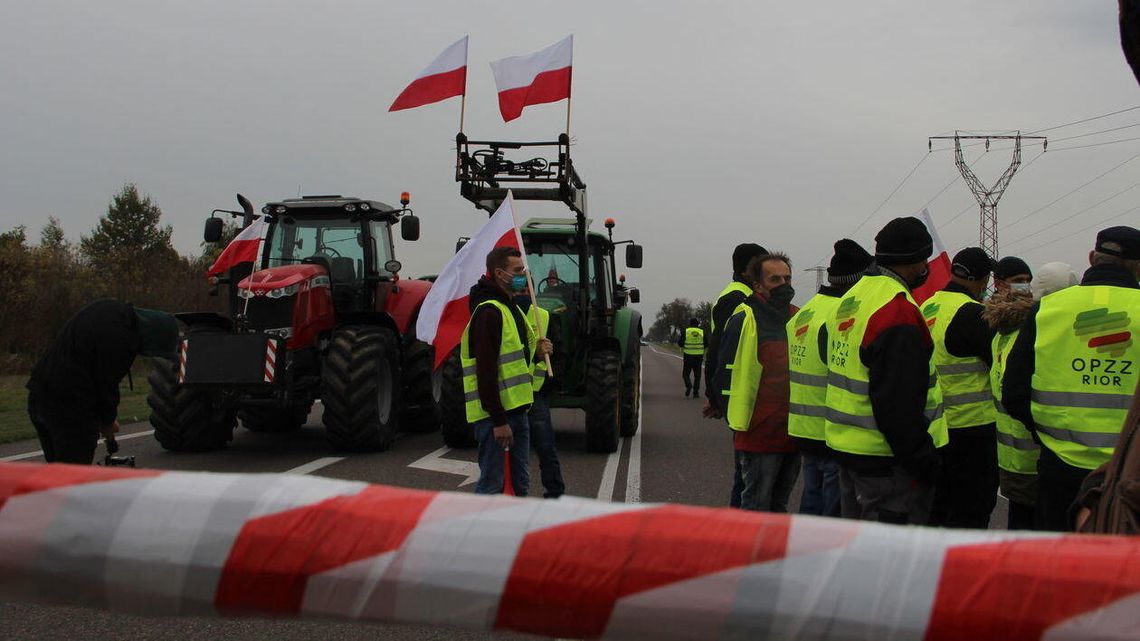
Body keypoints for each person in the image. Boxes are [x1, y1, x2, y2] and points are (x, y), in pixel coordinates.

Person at [1003, 226, 1140, 531]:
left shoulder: (1046, 310)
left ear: (1092, 258)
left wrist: (1048, 436)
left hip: (1059, 469)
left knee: (1058, 567)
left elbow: (1013, 392)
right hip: (1131, 473)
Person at [824, 216, 947, 524]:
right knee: (889, 562)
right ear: (917, 260)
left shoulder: (852, 297)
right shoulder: (896, 310)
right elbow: (898, 403)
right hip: (889, 463)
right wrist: (925, 462)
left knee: (860, 553)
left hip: (849, 450)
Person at [26, 299, 179, 464]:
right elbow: (107, 386)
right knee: (74, 475)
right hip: (68, 406)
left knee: (59, 473)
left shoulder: (110, 309)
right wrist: (107, 421)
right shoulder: (123, 339)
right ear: (152, 336)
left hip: (39, 394)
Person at [788, 239, 873, 517]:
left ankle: (802, 554)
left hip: (803, 425)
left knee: (811, 499)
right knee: (832, 511)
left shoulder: (808, 311)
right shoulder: (839, 314)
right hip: (832, 428)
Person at [460, 246, 553, 496]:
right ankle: (479, 533)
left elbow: (513, 359)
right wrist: (499, 420)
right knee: (493, 484)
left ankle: (514, 532)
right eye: (518, 270)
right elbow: (486, 371)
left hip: (518, 411)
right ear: (500, 274)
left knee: (519, 483)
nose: (524, 275)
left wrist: (536, 351)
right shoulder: (490, 312)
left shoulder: (509, 307)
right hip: (497, 418)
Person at [712, 253, 799, 512]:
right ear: (758, 285)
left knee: (779, 506)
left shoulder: (799, 318)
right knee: (755, 506)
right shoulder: (745, 319)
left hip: (793, 433)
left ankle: (772, 553)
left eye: (787, 278)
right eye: (775, 279)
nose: (784, 284)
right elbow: (723, 373)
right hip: (758, 435)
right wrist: (735, 420)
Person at [923, 247, 999, 529]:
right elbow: (999, 366)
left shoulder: (926, 308)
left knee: (936, 508)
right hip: (973, 430)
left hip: (934, 427)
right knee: (972, 511)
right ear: (981, 280)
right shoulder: (974, 314)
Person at [703, 242, 768, 508]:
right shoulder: (738, 299)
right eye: (760, 265)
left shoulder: (735, 294)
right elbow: (720, 349)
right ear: (746, 271)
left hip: (744, 394)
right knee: (747, 477)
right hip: (742, 397)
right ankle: (738, 530)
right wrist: (716, 397)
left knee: (748, 474)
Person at [982, 258, 1042, 530]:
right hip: (1025, 453)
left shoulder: (1011, 329)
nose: (1024, 286)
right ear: (999, 283)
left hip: (1024, 453)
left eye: (1027, 279)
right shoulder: (1001, 331)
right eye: (1018, 279)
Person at [515, 289, 565, 499]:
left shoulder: (543, 316)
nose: (521, 289)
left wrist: (548, 384)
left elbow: (559, 356)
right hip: (512, 396)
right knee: (515, 451)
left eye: (524, 284)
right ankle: (516, 496)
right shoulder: (502, 313)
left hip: (535, 394)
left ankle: (554, 494)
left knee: (545, 448)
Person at [678, 318, 707, 397]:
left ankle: (688, 385)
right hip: (699, 357)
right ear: (698, 324)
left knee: (685, 374)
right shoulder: (702, 332)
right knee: (697, 375)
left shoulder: (686, 331)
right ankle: (696, 393)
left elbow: (680, 343)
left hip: (688, 356)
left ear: (690, 324)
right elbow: (707, 344)